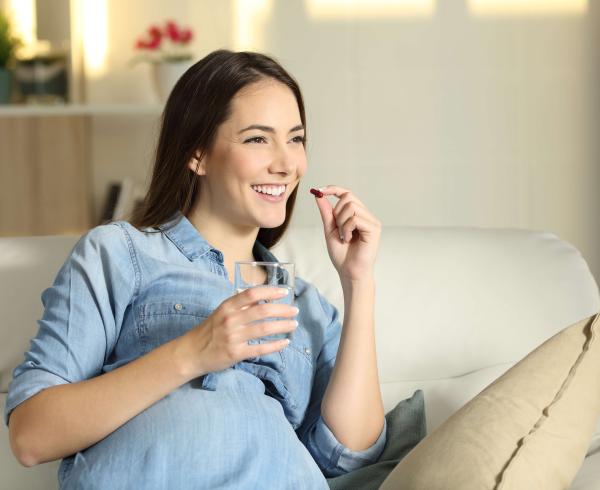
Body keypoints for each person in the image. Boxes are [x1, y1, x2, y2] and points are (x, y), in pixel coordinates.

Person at [4, 50, 387, 489]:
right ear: (197, 154)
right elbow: (32, 435)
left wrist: (358, 282)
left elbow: (349, 455)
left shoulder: (306, 306)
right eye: (257, 139)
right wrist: (194, 352)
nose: (286, 163)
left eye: (296, 138)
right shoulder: (121, 253)